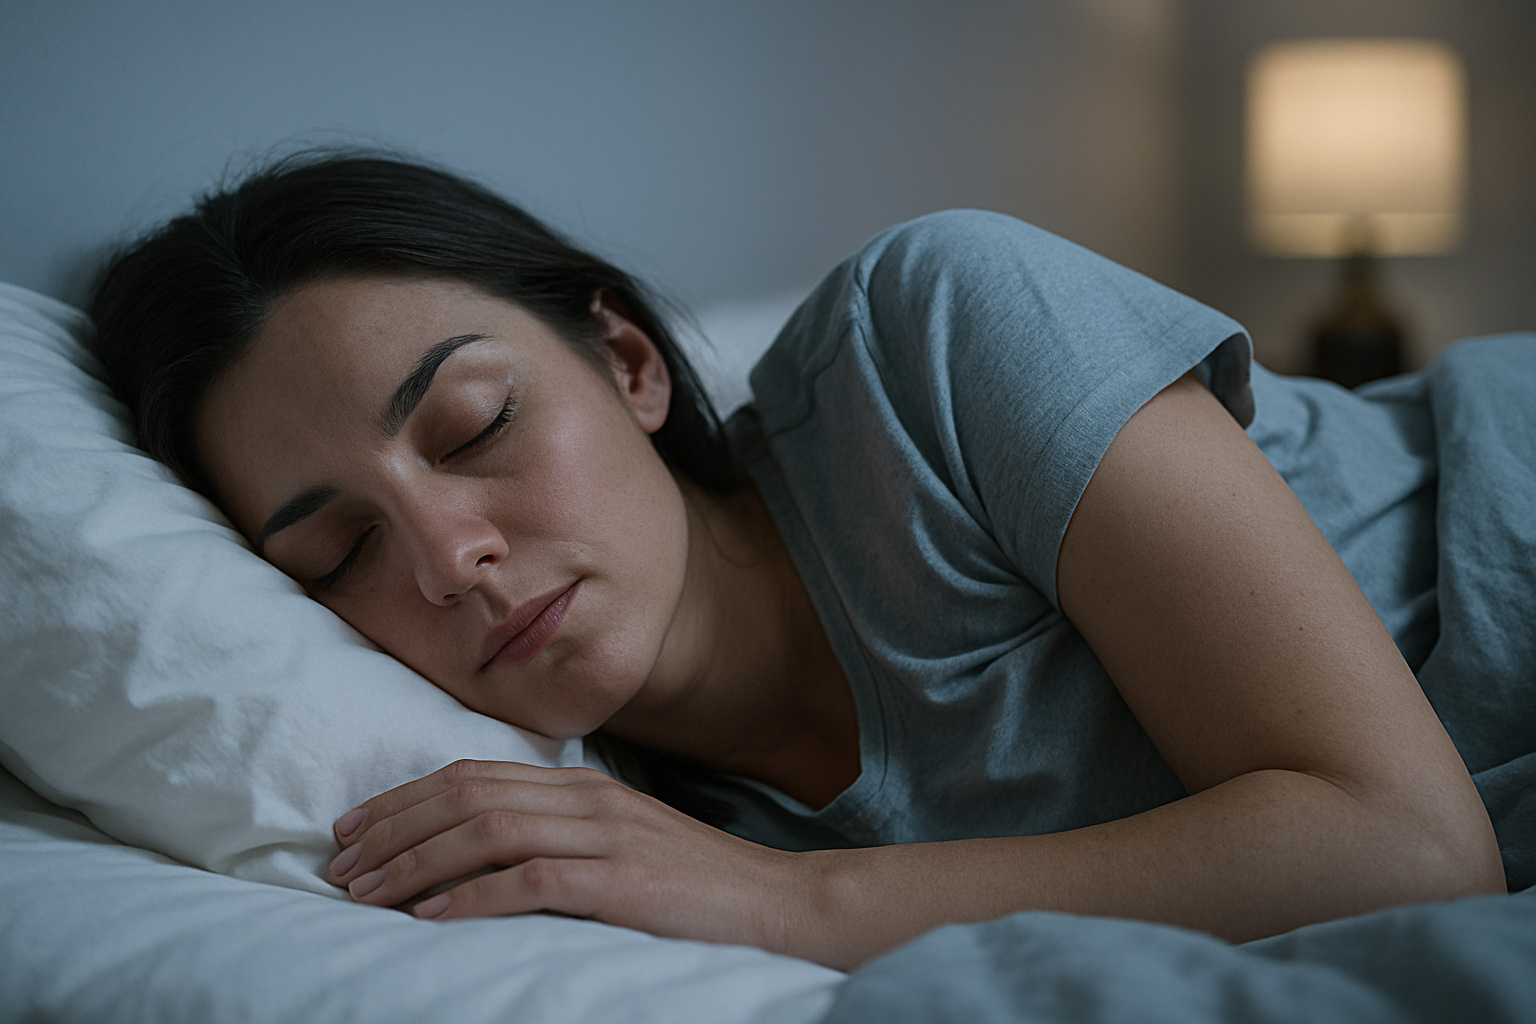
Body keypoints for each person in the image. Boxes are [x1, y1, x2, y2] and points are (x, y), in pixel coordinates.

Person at [90, 151, 1528, 972]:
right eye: (342, 553)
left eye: (476, 427)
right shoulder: (627, 835)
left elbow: (1404, 848)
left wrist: (781, 903)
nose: (454, 558)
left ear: (631, 362)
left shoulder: (936, 333)